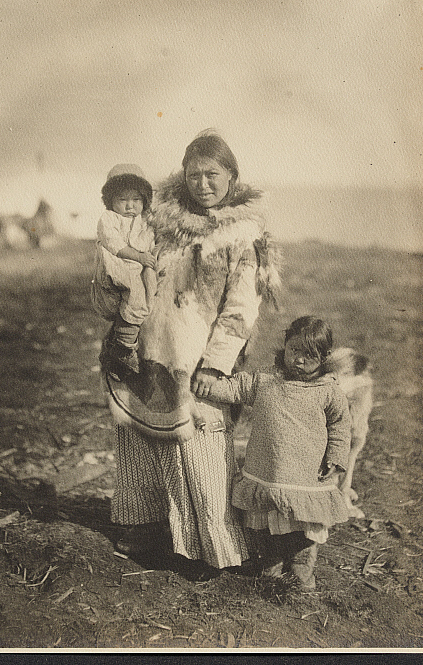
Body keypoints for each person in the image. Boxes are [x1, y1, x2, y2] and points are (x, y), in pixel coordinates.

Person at [107, 131, 282, 577]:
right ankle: (146, 532)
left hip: (198, 357)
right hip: (148, 348)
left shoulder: (243, 232)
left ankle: (208, 549)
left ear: (232, 177)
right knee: (140, 439)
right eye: (194, 175)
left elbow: (243, 306)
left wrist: (216, 364)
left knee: (198, 444)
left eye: (212, 174)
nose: (203, 184)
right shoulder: (161, 221)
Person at [195, 316, 351, 592]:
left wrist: (336, 457)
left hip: (306, 475)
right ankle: (272, 562)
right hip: (267, 470)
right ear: (285, 346)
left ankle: (302, 567)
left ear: (324, 357)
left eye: (309, 355)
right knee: (267, 522)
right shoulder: (266, 379)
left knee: (303, 526)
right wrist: (206, 385)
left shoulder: (328, 390)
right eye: (294, 351)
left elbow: (340, 424)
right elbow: (235, 388)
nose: (299, 360)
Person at [91, 164, 157, 380]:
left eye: (136, 200)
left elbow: (153, 242)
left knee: (148, 289)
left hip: (137, 268)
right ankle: (123, 349)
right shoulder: (108, 219)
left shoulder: (146, 221)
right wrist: (139, 256)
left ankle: (128, 340)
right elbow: (113, 245)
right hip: (114, 269)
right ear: (111, 201)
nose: (130, 206)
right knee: (134, 291)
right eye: (122, 200)